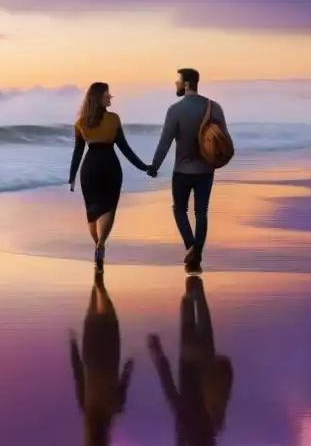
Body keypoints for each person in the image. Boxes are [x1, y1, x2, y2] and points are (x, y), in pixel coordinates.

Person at [148, 68, 230, 274]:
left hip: (182, 171)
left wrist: (154, 166)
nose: (175, 84)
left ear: (186, 84)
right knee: (201, 212)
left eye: (178, 81)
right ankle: (197, 253)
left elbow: (165, 142)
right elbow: (224, 140)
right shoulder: (214, 107)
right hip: (205, 171)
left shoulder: (175, 110)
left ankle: (191, 247)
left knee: (179, 209)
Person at [70, 81, 150, 271]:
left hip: (89, 170)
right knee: (108, 208)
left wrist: (72, 176)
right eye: (107, 94)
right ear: (99, 97)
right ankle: (101, 245)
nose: (110, 97)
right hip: (110, 167)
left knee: (92, 211)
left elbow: (78, 152)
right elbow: (125, 148)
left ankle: (96, 245)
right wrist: (144, 167)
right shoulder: (113, 119)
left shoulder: (80, 123)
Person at [147, 276, 234, 445]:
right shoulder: (186, 426)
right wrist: (157, 353)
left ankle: (194, 264)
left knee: (198, 294)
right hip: (190, 358)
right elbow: (170, 389)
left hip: (206, 358)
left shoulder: (213, 422)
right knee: (189, 297)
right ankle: (190, 264)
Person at [69, 272, 135, 446]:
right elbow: (78, 374)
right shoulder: (89, 408)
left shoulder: (113, 409)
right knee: (96, 299)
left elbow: (124, 380)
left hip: (107, 352)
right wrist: (73, 345)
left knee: (103, 301)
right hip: (93, 351)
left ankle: (99, 272)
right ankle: (98, 270)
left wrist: (130, 365)